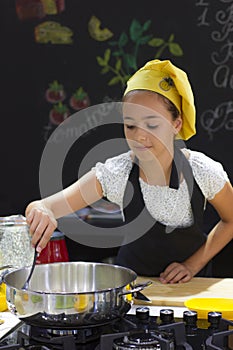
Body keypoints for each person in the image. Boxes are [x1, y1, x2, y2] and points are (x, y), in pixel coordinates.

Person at [25, 59, 233, 283]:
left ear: (176, 124)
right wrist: (40, 209)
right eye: (130, 125)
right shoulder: (117, 172)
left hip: (190, 289)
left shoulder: (203, 171)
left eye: (152, 124)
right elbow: (49, 205)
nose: (139, 136)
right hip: (133, 290)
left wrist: (192, 265)